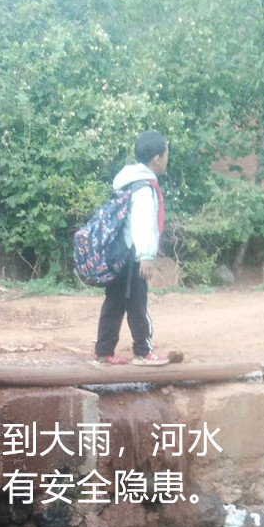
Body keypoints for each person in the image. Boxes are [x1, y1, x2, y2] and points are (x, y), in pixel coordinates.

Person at [94, 130, 181, 366]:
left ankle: (103, 352)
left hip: (118, 253)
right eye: (166, 153)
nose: (167, 158)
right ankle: (143, 352)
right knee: (137, 304)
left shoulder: (127, 182)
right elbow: (143, 224)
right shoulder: (144, 188)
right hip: (133, 256)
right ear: (156, 158)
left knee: (114, 303)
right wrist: (146, 256)